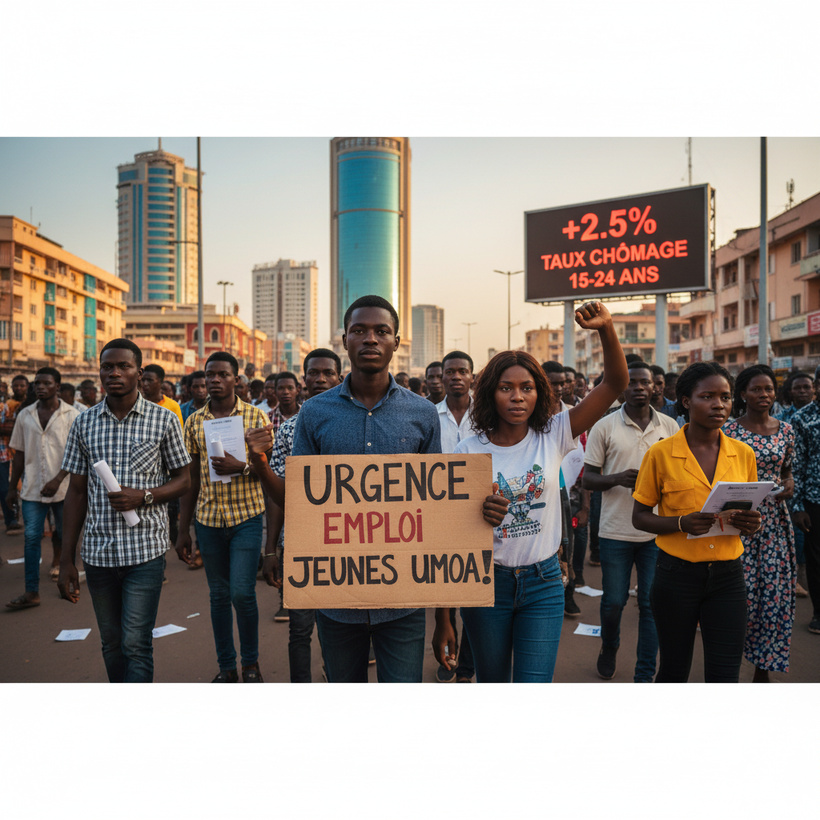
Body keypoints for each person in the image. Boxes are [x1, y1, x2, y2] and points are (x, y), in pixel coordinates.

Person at [248, 295, 441, 683]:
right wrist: (261, 465)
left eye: (381, 331)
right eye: (359, 330)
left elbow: (436, 503)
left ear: (396, 342)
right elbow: (301, 500)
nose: (370, 339)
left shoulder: (423, 413)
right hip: (336, 596)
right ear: (345, 340)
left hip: (403, 599)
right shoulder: (315, 413)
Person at [434, 301, 628, 683]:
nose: (517, 397)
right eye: (506, 388)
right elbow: (450, 533)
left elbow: (614, 384)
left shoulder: (554, 433)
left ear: (539, 394)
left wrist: (606, 328)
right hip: (486, 583)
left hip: (544, 583)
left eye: (527, 388)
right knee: (492, 682)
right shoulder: (467, 451)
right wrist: (478, 513)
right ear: (489, 394)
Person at [57, 339, 191, 682]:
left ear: (139, 373)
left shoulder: (164, 420)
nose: (114, 373)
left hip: (145, 551)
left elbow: (183, 480)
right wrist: (67, 559)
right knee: (112, 643)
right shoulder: (84, 423)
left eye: (123, 366)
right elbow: (76, 493)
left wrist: (143, 496)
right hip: (98, 554)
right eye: (107, 367)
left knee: (136, 642)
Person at [632, 361, 762, 682]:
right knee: (674, 671)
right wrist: (681, 523)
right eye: (707, 396)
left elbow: (750, 513)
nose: (719, 405)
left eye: (725, 397)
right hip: (676, 575)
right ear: (686, 401)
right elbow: (640, 517)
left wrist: (752, 523)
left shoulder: (743, 453)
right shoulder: (660, 454)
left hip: (728, 577)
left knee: (725, 674)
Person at [176, 351, 271, 682]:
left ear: (236, 380)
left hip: (246, 517)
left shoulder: (256, 418)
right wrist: (183, 529)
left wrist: (240, 466)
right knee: (218, 596)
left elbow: (269, 472)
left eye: (223, 374)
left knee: (242, 593)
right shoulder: (193, 422)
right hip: (208, 520)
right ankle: (227, 667)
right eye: (210, 375)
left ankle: (251, 664)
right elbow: (190, 479)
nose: (215, 380)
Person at [583, 361, 679, 681]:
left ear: (654, 386)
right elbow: (588, 479)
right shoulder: (604, 426)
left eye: (645, 382)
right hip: (615, 531)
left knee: (652, 605)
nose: (639, 387)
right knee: (614, 602)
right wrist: (617, 478)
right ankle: (609, 646)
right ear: (622, 389)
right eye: (632, 382)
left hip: (656, 532)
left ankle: (644, 672)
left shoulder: (670, 426)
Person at [264, 348, 342, 681]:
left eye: (328, 373)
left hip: (346, 542)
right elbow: (278, 495)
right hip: (299, 543)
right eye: (313, 373)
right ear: (304, 380)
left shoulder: (354, 427)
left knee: (340, 628)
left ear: (339, 377)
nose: (320, 379)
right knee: (299, 628)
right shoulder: (287, 431)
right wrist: (271, 549)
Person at [723, 364, 796, 682]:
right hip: (738, 520)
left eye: (768, 389)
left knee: (773, 597)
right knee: (741, 596)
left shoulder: (786, 431)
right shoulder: (728, 431)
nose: (764, 394)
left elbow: (787, 469)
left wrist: (789, 483)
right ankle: (727, 666)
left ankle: (761, 669)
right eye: (756, 389)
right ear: (742, 394)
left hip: (775, 525)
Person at [5, 367, 80, 608]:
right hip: (32, 489)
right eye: (37, 383)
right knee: (31, 538)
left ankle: (68, 580)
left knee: (66, 536)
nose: (40, 387)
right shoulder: (25, 415)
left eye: (46, 383)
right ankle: (31, 591)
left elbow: (77, 453)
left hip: (64, 489)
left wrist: (58, 479)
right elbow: (19, 454)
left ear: (57, 386)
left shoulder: (72, 415)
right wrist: (11, 488)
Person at [433, 350, 478, 683]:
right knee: (445, 583)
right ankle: (449, 653)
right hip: (440, 510)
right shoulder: (429, 415)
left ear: (472, 376)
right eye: (450, 371)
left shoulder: (488, 414)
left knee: (474, 589)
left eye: (463, 371)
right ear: (442, 377)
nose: (456, 376)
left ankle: (468, 664)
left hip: (480, 510)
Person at [789, 363, 820, 636]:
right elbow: (796, 466)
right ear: (817, 386)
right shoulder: (803, 419)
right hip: (814, 500)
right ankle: (818, 614)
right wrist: (797, 507)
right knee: (816, 559)